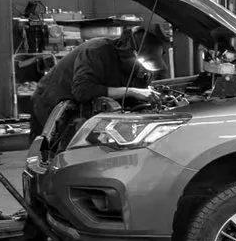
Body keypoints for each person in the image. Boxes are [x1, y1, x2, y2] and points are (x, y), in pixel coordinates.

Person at [30, 17, 169, 153]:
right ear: (128, 51)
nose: (142, 69)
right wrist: (133, 91)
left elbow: (136, 89)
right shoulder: (96, 50)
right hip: (51, 102)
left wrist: (144, 93)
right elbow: (83, 90)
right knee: (54, 156)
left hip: (79, 108)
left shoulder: (136, 64)